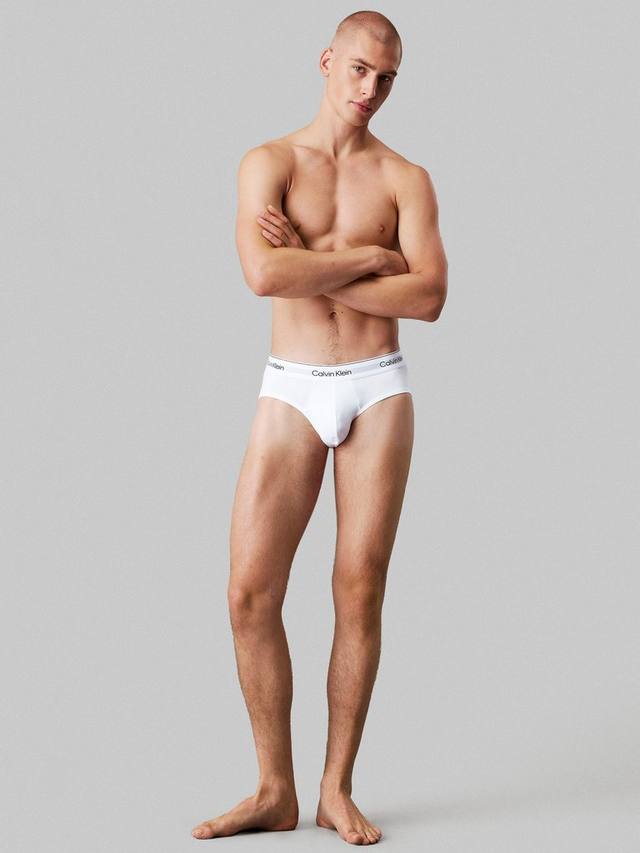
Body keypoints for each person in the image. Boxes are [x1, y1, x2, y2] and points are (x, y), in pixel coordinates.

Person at [192, 9, 447, 846]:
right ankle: (275, 787)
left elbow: (430, 297)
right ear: (327, 60)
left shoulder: (406, 179)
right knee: (248, 591)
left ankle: (336, 789)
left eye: (388, 78)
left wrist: (313, 263)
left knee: (358, 589)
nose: (372, 89)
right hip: (292, 385)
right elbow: (263, 273)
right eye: (361, 69)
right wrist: (373, 257)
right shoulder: (267, 162)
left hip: (377, 387)